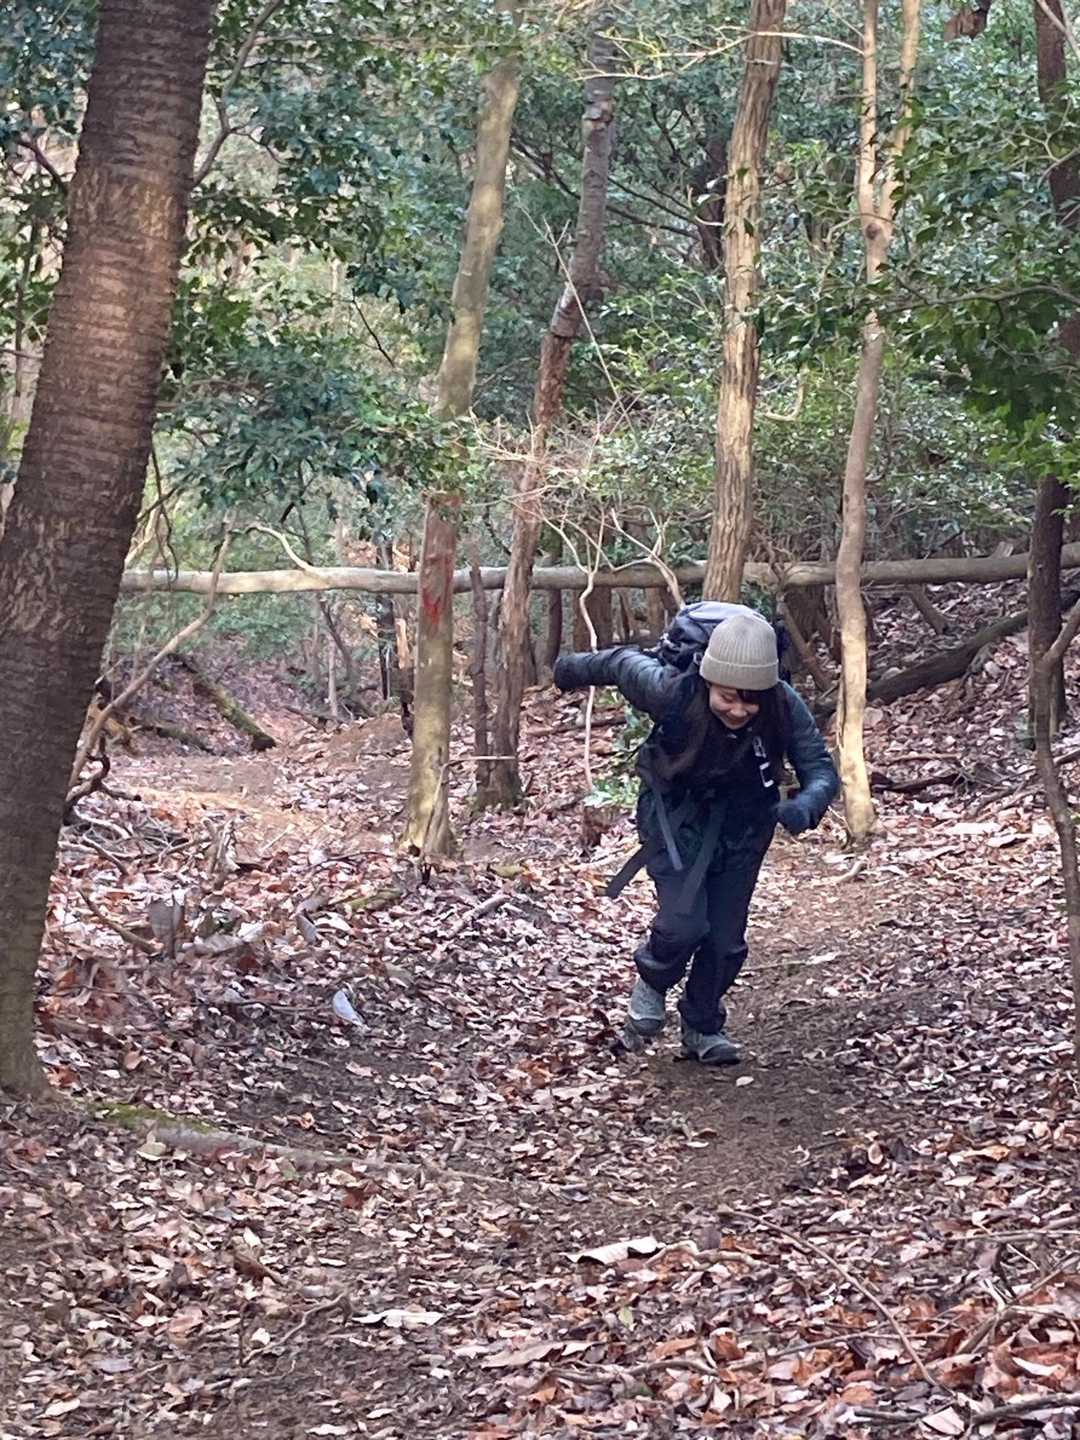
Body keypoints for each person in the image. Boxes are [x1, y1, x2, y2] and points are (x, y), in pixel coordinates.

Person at [554, 604, 839, 1064]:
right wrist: (568, 670)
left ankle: (703, 1026)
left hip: (745, 825)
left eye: (751, 700)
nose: (739, 710)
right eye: (728, 697)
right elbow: (619, 662)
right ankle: (652, 981)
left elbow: (820, 769)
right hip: (674, 816)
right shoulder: (671, 690)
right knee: (683, 924)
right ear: (708, 680)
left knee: (726, 941)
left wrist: (805, 806)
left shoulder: (783, 704)